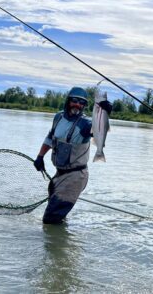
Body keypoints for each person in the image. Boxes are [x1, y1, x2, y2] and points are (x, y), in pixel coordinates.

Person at [33, 87, 112, 224]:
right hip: (60, 174)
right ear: (68, 101)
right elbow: (50, 137)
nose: (78, 105)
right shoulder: (58, 117)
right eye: (74, 101)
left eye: (82, 103)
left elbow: (98, 130)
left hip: (75, 176)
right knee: (57, 217)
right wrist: (40, 156)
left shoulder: (86, 124)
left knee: (50, 219)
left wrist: (105, 113)